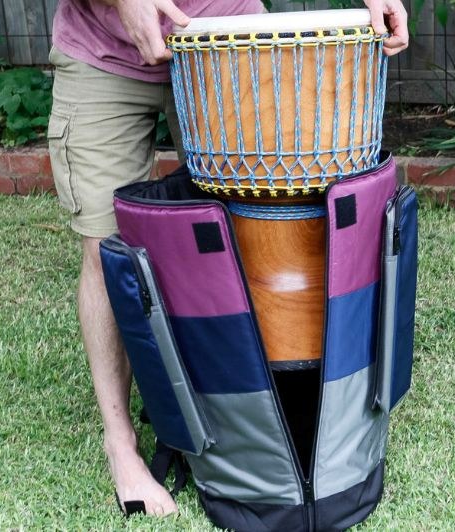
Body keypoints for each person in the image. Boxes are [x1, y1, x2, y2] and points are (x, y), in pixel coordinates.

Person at [48, 0, 409, 518]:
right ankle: (120, 443)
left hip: (229, 33)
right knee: (106, 250)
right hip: (100, 53)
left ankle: (244, 426)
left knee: (248, 229)